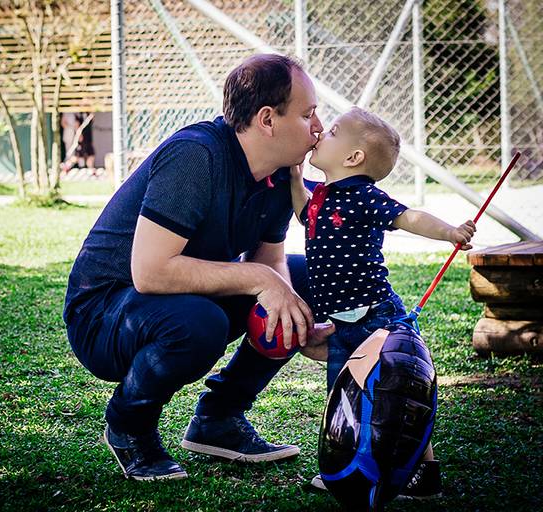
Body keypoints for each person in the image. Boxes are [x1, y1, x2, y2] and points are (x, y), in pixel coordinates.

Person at [64, 54, 333, 481]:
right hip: (104, 313)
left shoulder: (283, 175)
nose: (318, 127)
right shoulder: (195, 155)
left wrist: (295, 323)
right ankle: (128, 425)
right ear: (267, 119)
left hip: (178, 297)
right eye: (308, 114)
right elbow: (150, 272)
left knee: (307, 282)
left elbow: (271, 263)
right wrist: (261, 280)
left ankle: (218, 419)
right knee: (200, 323)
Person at [289, 106, 476, 498]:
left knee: (400, 396)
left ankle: (423, 471)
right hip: (341, 323)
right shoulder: (321, 195)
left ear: (353, 158)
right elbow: (305, 212)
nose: (322, 133)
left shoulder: (364, 196)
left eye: (333, 131)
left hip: (378, 317)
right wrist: (291, 171)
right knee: (344, 398)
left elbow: (409, 218)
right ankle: (349, 469)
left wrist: (449, 232)